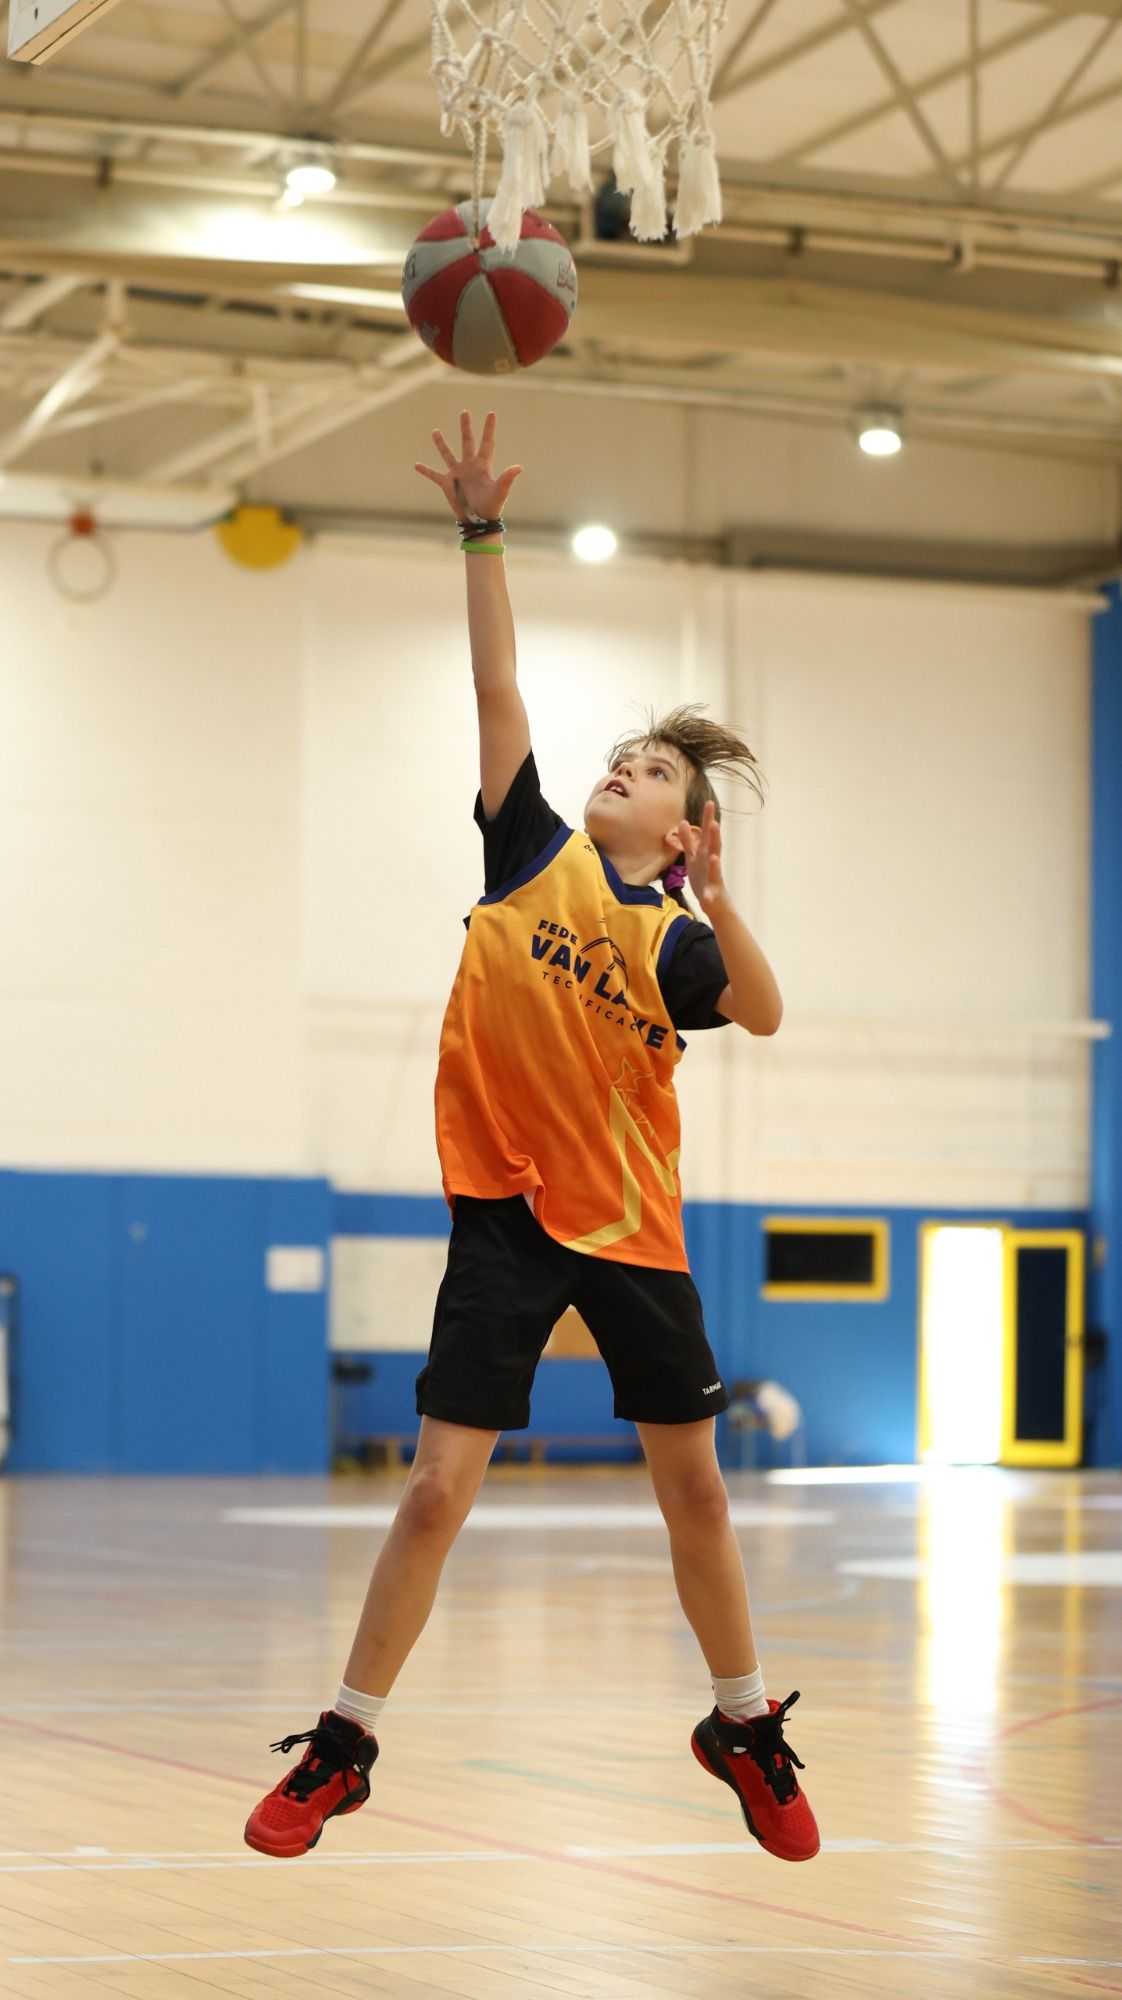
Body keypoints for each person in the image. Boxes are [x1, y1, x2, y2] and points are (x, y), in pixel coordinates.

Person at [244, 410, 819, 1867]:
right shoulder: (530, 849)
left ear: (684, 829)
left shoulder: (677, 943)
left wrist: (718, 895)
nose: (623, 767)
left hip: (630, 1227)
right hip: (505, 1212)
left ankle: (741, 1726)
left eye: (653, 771)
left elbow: (761, 1013)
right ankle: (344, 1743)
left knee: (694, 1488)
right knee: (436, 1488)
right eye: (620, 756)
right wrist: (480, 529)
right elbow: (496, 683)